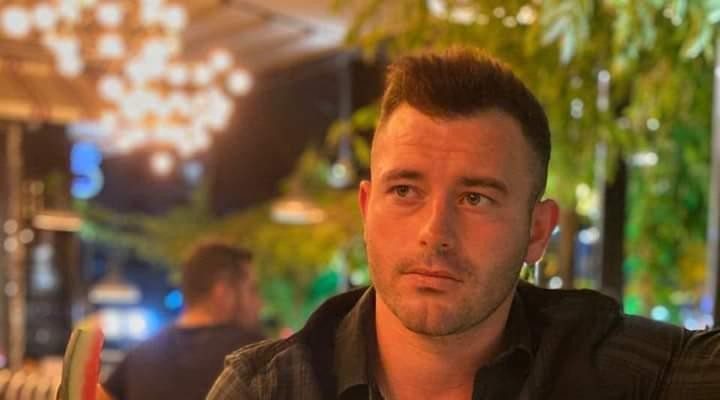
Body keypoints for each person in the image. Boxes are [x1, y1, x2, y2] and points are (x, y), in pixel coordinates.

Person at [207, 47, 720, 400]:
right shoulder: (268, 389)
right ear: (367, 209)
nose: (435, 232)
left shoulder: (625, 371)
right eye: (404, 191)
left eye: (476, 198)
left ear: (537, 231)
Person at [98, 241, 264, 400]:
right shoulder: (257, 356)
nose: (259, 303)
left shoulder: (139, 356)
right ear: (222, 292)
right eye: (252, 290)